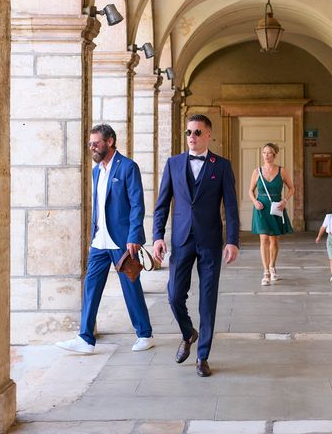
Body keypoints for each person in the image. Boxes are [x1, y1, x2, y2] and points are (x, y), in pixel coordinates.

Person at [153, 114, 239, 377]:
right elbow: (162, 203)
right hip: (180, 240)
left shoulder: (221, 166)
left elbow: (232, 207)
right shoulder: (173, 164)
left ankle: (202, 356)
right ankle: (188, 332)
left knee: (207, 300)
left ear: (208, 135)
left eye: (198, 132)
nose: (192, 136)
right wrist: (157, 236)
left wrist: (232, 241)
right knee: (174, 295)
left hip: (211, 241)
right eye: (189, 132)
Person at [56, 124, 154, 354]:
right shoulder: (96, 170)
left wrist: (134, 236)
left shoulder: (128, 167)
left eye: (96, 143)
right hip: (99, 240)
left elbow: (137, 204)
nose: (92, 147)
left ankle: (145, 334)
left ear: (109, 142)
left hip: (122, 240)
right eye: (90, 144)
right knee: (91, 287)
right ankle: (86, 338)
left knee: (130, 285)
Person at [248, 142, 295, 286]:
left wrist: (285, 200)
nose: (266, 155)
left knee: (274, 240)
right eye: (264, 153)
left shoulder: (282, 171)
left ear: (274, 155)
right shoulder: (257, 171)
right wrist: (255, 201)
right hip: (261, 208)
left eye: (269, 153)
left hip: (276, 207)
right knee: (263, 240)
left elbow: (292, 188)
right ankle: (265, 272)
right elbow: (250, 191)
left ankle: (272, 267)